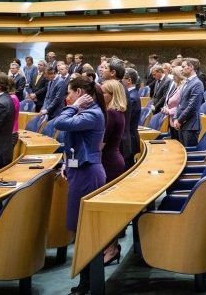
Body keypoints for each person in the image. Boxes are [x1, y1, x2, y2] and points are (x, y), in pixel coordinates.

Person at [52, 76, 107, 295]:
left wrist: (74, 106)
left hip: (88, 173)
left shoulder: (92, 114)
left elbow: (59, 123)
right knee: (79, 227)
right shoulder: (86, 112)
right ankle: (86, 282)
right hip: (79, 170)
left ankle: (88, 283)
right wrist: (67, 163)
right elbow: (73, 140)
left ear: (80, 93)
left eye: (70, 93)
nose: (67, 97)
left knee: (85, 230)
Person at [100, 79, 126, 265]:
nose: (100, 95)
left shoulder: (111, 114)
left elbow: (100, 145)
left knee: (108, 209)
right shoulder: (117, 112)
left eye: (104, 92)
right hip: (113, 160)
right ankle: (110, 246)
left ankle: (111, 248)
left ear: (112, 95)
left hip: (109, 163)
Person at [172, 58, 204, 147]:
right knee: (182, 152)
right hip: (182, 124)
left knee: (188, 153)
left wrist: (179, 120)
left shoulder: (197, 83)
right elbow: (180, 103)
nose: (181, 69)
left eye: (183, 66)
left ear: (191, 67)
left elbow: (192, 107)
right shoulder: (186, 82)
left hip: (191, 126)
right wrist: (175, 118)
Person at [122, 68, 141, 164]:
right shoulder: (130, 95)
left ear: (129, 80)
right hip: (129, 138)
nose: (120, 81)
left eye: (122, 78)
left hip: (130, 139)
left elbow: (127, 120)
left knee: (128, 167)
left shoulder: (131, 97)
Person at [161, 66, 184, 140]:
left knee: (178, 143)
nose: (173, 77)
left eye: (174, 75)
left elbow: (182, 105)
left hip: (178, 120)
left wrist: (169, 111)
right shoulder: (175, 86)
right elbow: (168, 99)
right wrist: (166, 107)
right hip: (171, 120)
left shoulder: (183, 88)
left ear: (179, 76)